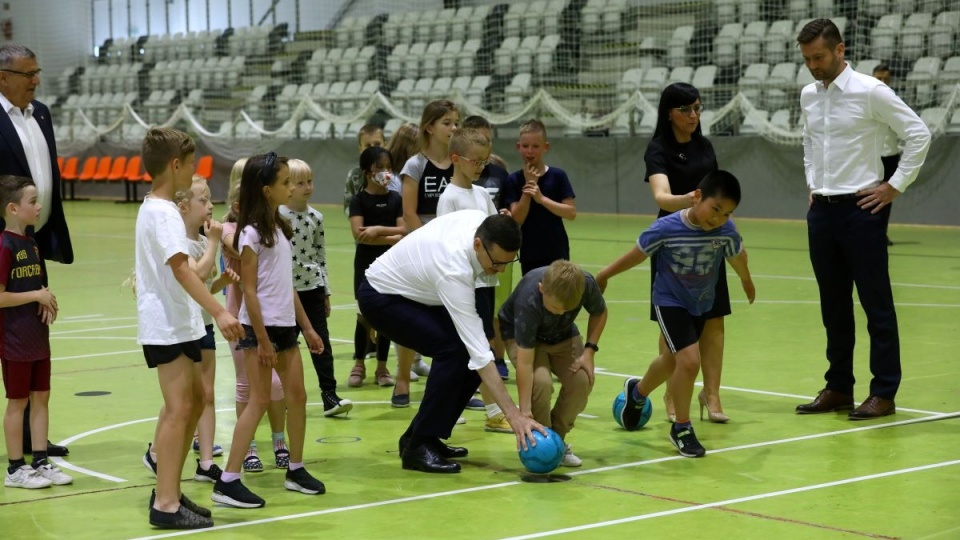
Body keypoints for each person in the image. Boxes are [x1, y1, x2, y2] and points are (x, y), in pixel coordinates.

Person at [795, 19, 931, 420]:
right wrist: (813, 181)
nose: (813, 66)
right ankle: (838, 387)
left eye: (819, 57)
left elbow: (919, 133)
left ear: (840, 50)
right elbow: (808, 141)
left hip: (862, 210)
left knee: (876, 305)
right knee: (832, 305)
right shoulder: (808, 95)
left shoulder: (872, 91)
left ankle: (884, 392)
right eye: (806, 60)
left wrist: (894, 186)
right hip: (821, 211)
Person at [357, 210, 545, 473]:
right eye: (496, 263)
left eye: (507, 263)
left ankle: (422, 437)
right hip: (381, 296)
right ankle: (417, 447)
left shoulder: (483, 220)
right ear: (478, 244)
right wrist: (514, 416)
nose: (500, 271)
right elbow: (478, 353)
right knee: (456, 352)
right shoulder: (454, 269)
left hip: (419, 292)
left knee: (467, 355)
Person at [596, 171, 755, 458]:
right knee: (689, 360)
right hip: (669, 301)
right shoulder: (667, 227)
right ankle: (681, 428)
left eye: (727, 213)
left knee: (671, 361)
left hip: (700, 303)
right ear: (697, 197)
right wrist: (605, 274)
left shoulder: (725, 231)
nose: (718, 218)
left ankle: (637, 393)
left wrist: (746, 279)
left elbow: (736, 256)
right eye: (715, 209)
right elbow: (638, 253)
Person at [135, 127, 243, 528]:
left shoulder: (158, 208)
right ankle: (165, 503)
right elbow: (182, 270)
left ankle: (172, 491)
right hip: (166, 323)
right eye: (191, 164)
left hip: (180, 321)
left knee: (196, 400)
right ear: (175, 166)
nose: (195, 171)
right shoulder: (162, 213)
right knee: (181, 408)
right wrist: (220, 310)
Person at [212, 153, 326, 509]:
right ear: (266, 189)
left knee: (298, 397)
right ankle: (228, 480)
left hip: (285, 328)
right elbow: (249, 290)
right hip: (258, 329)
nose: (291, 187)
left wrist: (307, 327)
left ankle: (296, 468)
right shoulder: (249, 234)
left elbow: (285, 285)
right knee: (259, 401)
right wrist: (260, 340)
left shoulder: (279, 228)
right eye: (285, 182)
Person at [0, 44, 73, 458]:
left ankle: (33, 437)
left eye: (37, 72)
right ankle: (21, 432)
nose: (35, 80)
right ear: (2, 76)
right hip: (4, 241)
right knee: (9, 339)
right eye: (27, 74)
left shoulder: (40, 112)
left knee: (31, 331)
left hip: (35, 241)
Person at [644, 82, 733, 424]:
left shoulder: (705, 147)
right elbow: (663, 198)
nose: (694, 115)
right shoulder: (657, 149)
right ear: (670, 113)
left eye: (697, 108)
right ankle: (671, 391)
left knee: (713, 318)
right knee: (674, 323)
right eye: (686, 110)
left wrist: (723, 225)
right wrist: (695, 202)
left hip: (710, 239)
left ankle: (711, 393)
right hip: (672, 243)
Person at [142, 176, 230, 485]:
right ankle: (156, 453)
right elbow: (198, 272)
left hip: (202, 324)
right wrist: (217, 242)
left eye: (209, 200)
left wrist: (224, 284)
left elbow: (207, 283)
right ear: (183, 207)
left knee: (206, 395)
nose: (210, 206)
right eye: (203, 201)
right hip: (183, 328)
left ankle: (206, 461)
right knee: (181, 400)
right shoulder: (183, 242)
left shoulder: (204, 240)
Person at [436, 128, 512, 433]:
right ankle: (488, 411)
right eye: (475, 161)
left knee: (482, 345)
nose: (481, 167)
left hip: (486, 283)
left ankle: (489, 410)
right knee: (470, 348)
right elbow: (445, 242)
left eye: (484, 162)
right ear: (456, 158)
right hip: (464, 285)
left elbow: (494, 231)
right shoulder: (449, 197)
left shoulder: (481, 194)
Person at [498, 260, 608, 467]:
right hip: (522, 337)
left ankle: (556, 441)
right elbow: (525, 364)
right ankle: (540, 440)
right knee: (540, 383)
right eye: (556, 307)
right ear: (542, 289)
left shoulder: (584, 284)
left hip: (562, 334)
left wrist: (589, 351)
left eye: (568, 309)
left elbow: (600, 312)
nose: (560, 312)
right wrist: (525, 411)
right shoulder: (529, 300)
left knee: (581, 381)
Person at [0, 175, 71, 490]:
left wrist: (46, 296)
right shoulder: (4, 246)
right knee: (17, 402)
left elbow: (37, 283)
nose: (39, 206)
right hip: (14, 339)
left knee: (41, 397)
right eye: (33, 202)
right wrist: (35, 296)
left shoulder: (32, 244)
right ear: (13, 208)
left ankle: (40, 460)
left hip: (37, 336)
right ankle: (15, 469)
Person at [220, 163, 289, 472]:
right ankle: (246, 450)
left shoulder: (268, 229)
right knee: (247, 386)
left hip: (270, 317)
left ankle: (279, 440)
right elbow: (230, 243)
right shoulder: (237, 232)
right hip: (240, 318)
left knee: (275, 387)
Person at [280, 159, 353, 417]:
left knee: (322, 344)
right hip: (285, 292)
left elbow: (321, 256)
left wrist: (326, 291)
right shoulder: (277, 216)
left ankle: (329, 395)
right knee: (285, 347)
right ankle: (284, 397)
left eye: (309, 181)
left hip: (312, 288)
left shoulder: (316, 218)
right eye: (300, 183)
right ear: (287, 186)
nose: (307, 187)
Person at [348, 146, 406, 402]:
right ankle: (359, 363)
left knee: (387, 316)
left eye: (388, 167)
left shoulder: (396, 199)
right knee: (364, 316)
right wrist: (389, 235)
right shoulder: (359, 200)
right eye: (378, 168)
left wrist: (378, 231)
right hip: (365, 265)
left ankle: (382, 366)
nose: (385, 173)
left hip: (391, 265)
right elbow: (359, 235)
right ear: (367, 172)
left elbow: (404, 231)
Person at [462, 115, 512, 380]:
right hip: (469, 262)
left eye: (488, 140)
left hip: (492, 259)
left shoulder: (498, 174)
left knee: (494, 313)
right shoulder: (457, 184)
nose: (485, 145)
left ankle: (497, 359)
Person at [502, 119, 576, 276]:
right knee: (534, 296)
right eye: (525, 146)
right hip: (530, 252)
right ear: (518, 147)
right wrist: (528, 190)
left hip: (557, 250)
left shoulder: (558, 176)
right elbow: (517, 220)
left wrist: (541, 198)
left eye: (535, 146)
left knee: (559, 296)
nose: (530, 151)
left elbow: (570, 213)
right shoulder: (513, 180)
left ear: (545, 147)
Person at [872, 64, 901, 247]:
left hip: (891, 155)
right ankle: (868, 233)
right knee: (867, 197)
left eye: (885, 79)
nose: (882, 82)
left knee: (886, 198)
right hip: (872, 156)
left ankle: (882, 233)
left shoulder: (894, 101)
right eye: (879, 78)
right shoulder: (866, 100)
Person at [342, 123, 385, 216]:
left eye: (377, 144)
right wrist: (358, 219)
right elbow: (348, 204)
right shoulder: (354, 175)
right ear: (360, 149)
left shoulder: (395, 173)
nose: (373, 148)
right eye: (368, 145)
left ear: (385, 145)